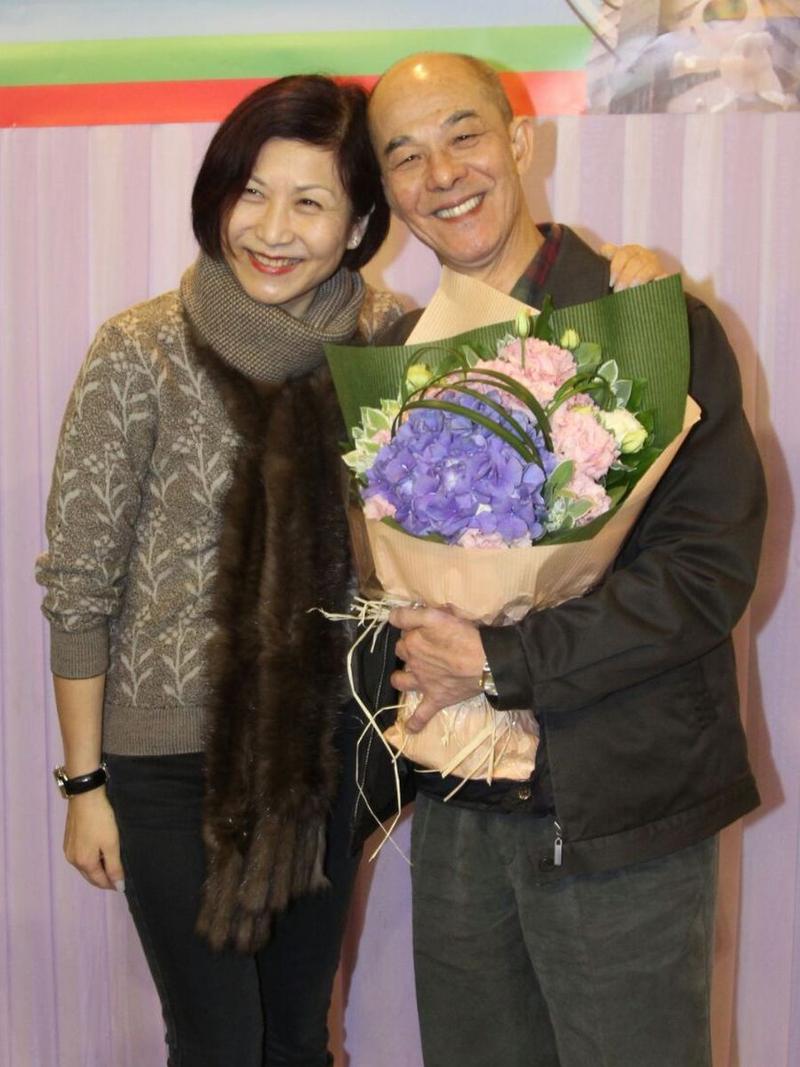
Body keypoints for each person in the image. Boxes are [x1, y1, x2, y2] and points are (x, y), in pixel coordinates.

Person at [356, 52, 766, 1067]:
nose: (441, 174)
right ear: (388, 189)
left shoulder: (647, 320)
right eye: (404, 156)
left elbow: (704, 574)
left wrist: (500, 660)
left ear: (518, 139)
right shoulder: (395, 361)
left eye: (463, 134)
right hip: (458, 809)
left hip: (621, 807)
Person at [36, 75, 404, 1067]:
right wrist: (84, 782)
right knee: (218, 1043)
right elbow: (78, 582)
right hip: (169, 762)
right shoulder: (140, 349)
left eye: (309, 202)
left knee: (298, 1037)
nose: (272, 230)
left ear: (357, 223)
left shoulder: (392, 343)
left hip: (323, 751)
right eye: (252, 192)